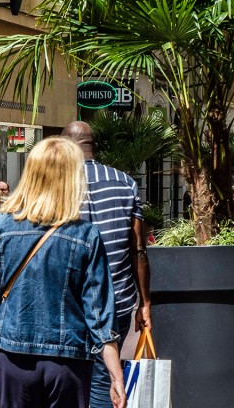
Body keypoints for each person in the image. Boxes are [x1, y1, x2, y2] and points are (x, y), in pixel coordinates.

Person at [0, 138, 126, 408]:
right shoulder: (85, 235)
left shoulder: (0, 227)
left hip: (12, 356)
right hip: (68, 361)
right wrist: (115, 375)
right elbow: (100, 312)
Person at [62, 121, 150, 408]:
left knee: (68, 376)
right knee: (103, 378)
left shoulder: (57, 182)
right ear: (92, 146)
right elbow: (138, 248)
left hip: (69, 300)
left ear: (66, 146)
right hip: (118, 299)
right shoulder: (125, 182)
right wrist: (145, 303)